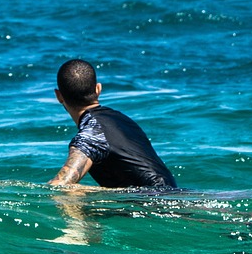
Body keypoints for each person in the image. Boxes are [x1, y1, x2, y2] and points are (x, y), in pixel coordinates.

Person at [48, 59, 177, 190]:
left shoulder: (92, 132)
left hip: (151, 203)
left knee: (72, 192)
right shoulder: (122, 119)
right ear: (98, 89)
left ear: (59, 96)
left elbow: (61, 185)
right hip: (176, 196)